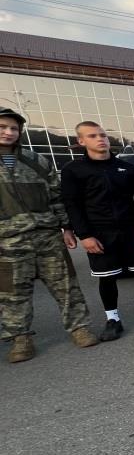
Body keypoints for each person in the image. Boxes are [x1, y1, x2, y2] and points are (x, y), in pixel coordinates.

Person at [61, 121, 134, 341]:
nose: (100, 139)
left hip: (132, 230)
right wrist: (84, 235)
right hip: (99, 233)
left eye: (102, 135)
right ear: (81, 141)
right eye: (93, 136)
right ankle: (113, 319)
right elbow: (72, 205)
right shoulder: (74, 170)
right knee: (108, 278)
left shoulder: (126, 168)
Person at [0, 108, 98, 362]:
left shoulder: (35, 161)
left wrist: (67, 228)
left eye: (13, 128)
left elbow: (57, 196)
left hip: (47, 236)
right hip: (7, 241)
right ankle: (21, 339)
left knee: (66, 285)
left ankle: (79, 328)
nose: (9, 132)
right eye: (3, 127)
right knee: (12, 293)